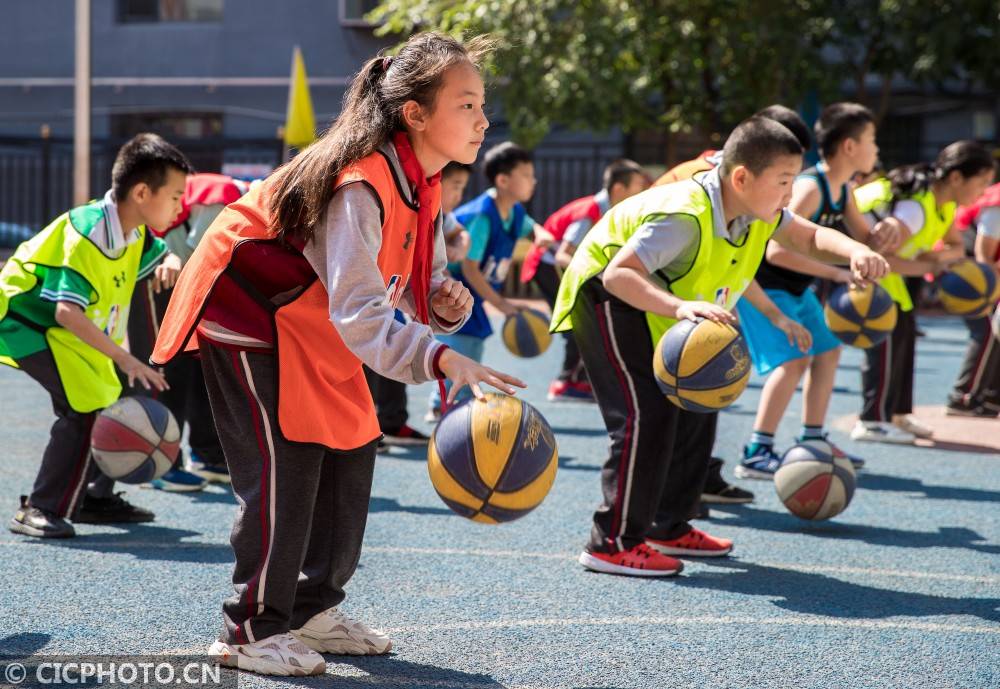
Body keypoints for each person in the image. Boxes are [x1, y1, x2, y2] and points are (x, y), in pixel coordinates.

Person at [151, 33, 524, 677]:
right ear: (414, 113)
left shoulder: (420, 181)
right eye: (466, 104)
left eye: (482, 104)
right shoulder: (359, 182)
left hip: (310, 313)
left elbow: (404, 278)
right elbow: (361, 307)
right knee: (285, 468)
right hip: (249, 306)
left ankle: (311, 607)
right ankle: (250, 627)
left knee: (353, 447)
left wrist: (440, 302)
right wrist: (438, 357)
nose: (483, 120)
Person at [550, 116, 888, 577]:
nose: (791, 195)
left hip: (660, 302)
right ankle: (611, 541)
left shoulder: (754, 212)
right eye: (784, 182)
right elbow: (619, 275)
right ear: (742, 177)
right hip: (607, 295)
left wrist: (853, 251)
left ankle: (669, 525)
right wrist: (680, 308)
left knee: (699, 400)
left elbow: (807, 235)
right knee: (644, 415)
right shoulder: (685, 215)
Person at [2, 133, 190, 538]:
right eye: (175, 196)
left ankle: (92, 496)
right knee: (81, 407)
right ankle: (38, 507)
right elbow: (67, 311)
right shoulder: (87, 234)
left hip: (58, 326)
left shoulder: (133, 228)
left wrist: (171, 258)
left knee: (109, 396)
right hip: (25, 320)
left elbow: (156, 252)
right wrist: (127, 358)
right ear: (142, 192)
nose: (179, 206)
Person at [734, 102, 887, 478]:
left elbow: (868, 241)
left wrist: (890, 231)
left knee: (829, 351)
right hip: (766, 286)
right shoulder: (810, 187)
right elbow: (778, 250)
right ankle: (758, 449)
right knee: (795, 360)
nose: (877, 149)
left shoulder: (844, 191)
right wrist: (835, 275)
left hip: (798, 290)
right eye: (872, 140)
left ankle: (813, 439)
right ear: (850, 146)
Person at [852, 141, 995, 443]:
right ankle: (871, 420)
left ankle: (897, 415)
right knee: (884, 343)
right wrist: (926, 264)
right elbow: (883, 259)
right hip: (859, 271)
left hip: (891, 279)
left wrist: (936, 258)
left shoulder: (943, 204)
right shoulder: (915, 207)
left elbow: (955, 245)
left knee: (904, 340)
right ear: (956, 177)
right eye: (981, 182)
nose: (983, 192)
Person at [127, 172, 248, 490]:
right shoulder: (221, 193)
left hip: (184, 283)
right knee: (169, 373)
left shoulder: (234, 195)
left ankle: (207, 455)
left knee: (203, 370)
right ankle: (160, 465)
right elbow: (204, 256)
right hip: (161, 282)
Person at [427, 141, 554, 418]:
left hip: (472, 296)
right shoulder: (483, 216)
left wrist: (542, 235)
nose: (533, 181)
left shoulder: (515, 212)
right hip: (454, 292)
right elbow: (471, 269)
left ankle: (449, 402)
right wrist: (503, 305)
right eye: (526, 175)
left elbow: (531, 227)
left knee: (471, 345)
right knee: (463, 345)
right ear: (503, 180)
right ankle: (444, 404)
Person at [522, 158, 647, 402]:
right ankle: (565, 382)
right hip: (547, 266)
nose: (641, 192)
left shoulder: (610, 211)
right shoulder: (589, 212)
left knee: (589, 321)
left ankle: (578, 378)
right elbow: (562, 256)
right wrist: (597, 274)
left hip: (564, 268)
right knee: (577, 321)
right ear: (619, 189)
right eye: (638, 186)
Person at [947, 182, 1000, 416]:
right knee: (988, 330)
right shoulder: (996, 205)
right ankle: (962, 396)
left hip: (982, 272)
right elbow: (983, 256)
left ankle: (991, 396)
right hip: (967, 274)